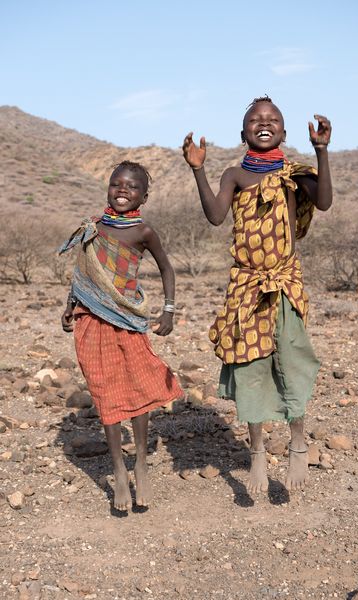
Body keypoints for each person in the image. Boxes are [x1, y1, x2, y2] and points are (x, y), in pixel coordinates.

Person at [182, 96, 332, 493]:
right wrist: (198, 170)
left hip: (283, 283)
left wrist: (321, 152)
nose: (263, 123)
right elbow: (216, 215)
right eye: (255, 119)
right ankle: (258, 451)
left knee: (292, 359)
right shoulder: (234, 174)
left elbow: (324, 202)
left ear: (283, 131)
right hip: (247, 284)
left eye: (272, 119)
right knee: (249, 365)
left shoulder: (294, 173)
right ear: (243, 131)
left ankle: (298, 441)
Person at [60, 161, 183, 511]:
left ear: (144, 195)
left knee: (138, 386)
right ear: (108, 189)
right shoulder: (93, 228)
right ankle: (118, 469)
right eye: (116, 184)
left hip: (128, 319)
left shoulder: (143, 232)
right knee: (105, 392)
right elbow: (82, 273)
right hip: (90, 321)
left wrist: (169, 310)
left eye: (131, 186)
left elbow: (166, 268)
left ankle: (140, 462)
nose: (123, 190)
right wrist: (70, 305)